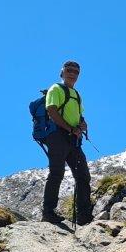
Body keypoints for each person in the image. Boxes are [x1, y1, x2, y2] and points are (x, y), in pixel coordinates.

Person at [41, 60, 93, 225]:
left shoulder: (77, 94)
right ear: (62, 72)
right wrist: (71, 129)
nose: (72, 73)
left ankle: (84, 216)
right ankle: (48, 213)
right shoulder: (56, 89)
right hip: (57, 136)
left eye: (76, 72)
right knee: (57, 173)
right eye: (69, 70)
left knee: (83, 176)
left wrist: (82, 124)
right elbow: (51, 110)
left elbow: (80, 115)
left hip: (73, 139)